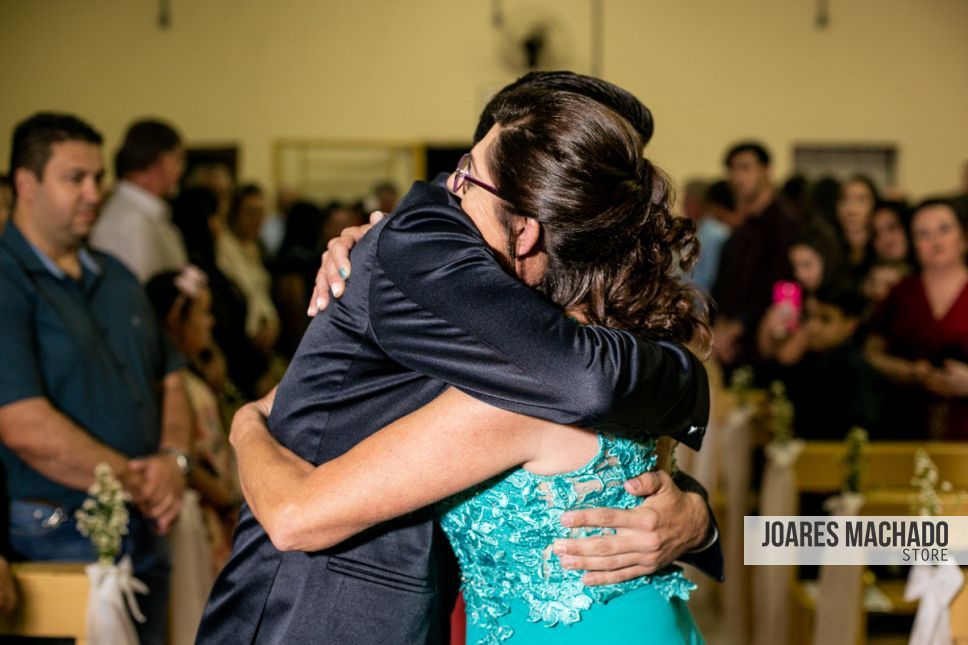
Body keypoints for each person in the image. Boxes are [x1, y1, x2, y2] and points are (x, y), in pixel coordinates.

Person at [199, 76, 718, 645]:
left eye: (468, 177)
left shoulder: (529, 377)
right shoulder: (598, 334)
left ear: (527, 233)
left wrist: (246, 424)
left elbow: (296, 515)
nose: (449, 189)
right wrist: (699, 520)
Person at [0, 112, 192, 645]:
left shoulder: (116, 274)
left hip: (145, 522)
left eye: (98, 177)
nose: (93, 192)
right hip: (57, 530)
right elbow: (20, 422)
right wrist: (134, 479)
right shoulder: (8, 279)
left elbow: (172, 377)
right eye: (75, 178)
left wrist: (174, 458)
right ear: (26, 183)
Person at [865, 198, 968, 439]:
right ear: (913, 244)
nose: (935, 241)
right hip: (905, 426)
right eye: (923, 233)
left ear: (963, 237)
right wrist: (910, 372)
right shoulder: (900, 293)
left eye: (944, 229)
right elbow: (871, 353)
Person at [712, 141, 800, 371]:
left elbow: (777, 282)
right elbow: (725, 285)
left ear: (767, 170)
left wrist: (735, 330)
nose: (737, 177)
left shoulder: (784, 223)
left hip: (768, 345)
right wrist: (720, 331)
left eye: (745, 168)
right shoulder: (741, 230)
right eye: (733, 169)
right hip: (732, 348)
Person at [89, 118, 187, 282]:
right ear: (161, 160)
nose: (181, 170)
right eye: (178, 160)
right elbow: (138, 296)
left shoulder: (147, 213)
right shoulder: (128, 221)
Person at [217, 183, 280, 354]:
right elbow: (244, 292)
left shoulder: (258, 247)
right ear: (235, 214)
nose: (258, 220)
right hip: (242, 341)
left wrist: (272, 322)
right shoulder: (223, 248)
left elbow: (261, 292)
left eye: (261, 213)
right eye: (251, 212)